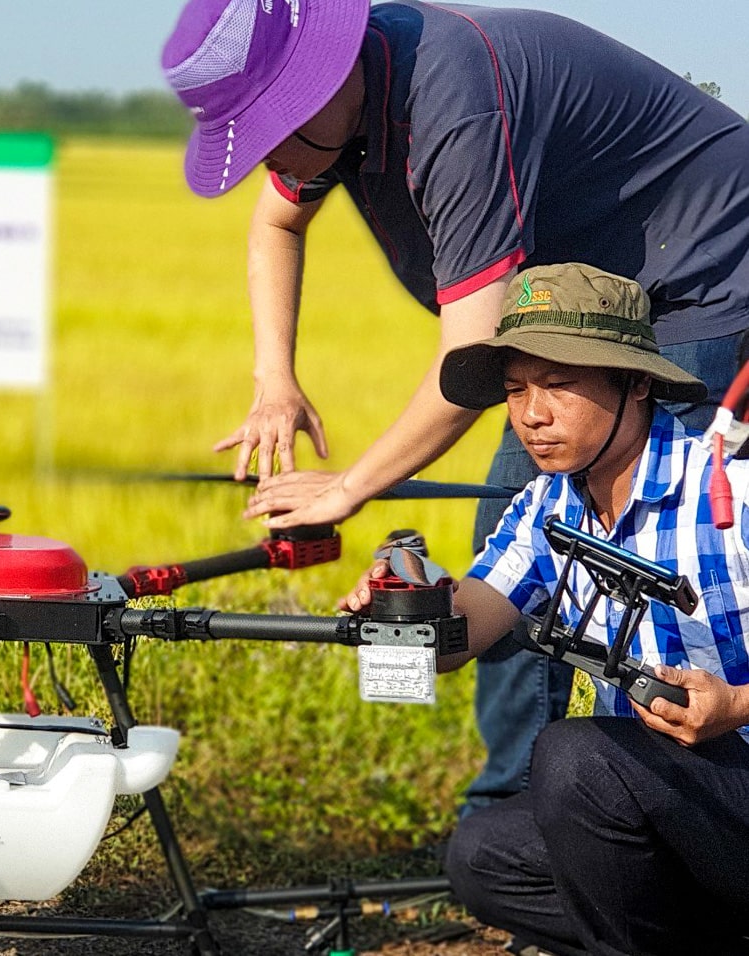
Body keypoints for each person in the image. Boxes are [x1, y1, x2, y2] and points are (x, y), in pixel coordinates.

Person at [161, 0, 749, 812]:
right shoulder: (339, 112)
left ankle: (582, 821)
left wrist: (347, 489)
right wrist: (276, 382)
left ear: (327, 77)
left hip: (698, 272)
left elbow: (468, 355)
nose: (274, 152)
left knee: (588, 524)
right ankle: (549, 821)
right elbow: (276, 225)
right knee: (521, 549)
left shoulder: (452, 101)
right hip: (574, 300)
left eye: (276, 124)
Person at [339, 263, 749, 956]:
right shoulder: (545, 506)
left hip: (733, 791)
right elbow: (464, 629)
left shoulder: (730, 489)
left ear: (637, 381)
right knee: (484, 854)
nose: (532, 414)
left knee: (575, 757)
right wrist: (407, 606)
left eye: (558, 385)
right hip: (658, 805)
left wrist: (736, 705)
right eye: (515, 389)